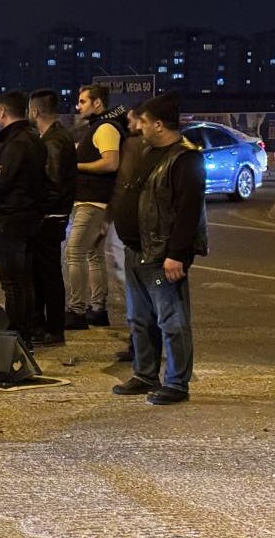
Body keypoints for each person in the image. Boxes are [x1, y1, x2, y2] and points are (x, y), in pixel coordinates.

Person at [110, 93, 206, 405]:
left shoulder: (185, 158)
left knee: (172, 320)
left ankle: (177, 383)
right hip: (136, 250)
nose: (139, 126)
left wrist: (176, 254)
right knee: (139, 319)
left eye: (145, 122)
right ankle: (145, 374)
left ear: (159, 125)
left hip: (162, 255)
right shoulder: (151, 151)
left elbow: (188, 211)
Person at [0, 91, 46, 349]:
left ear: (2, 112)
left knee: (14, 283)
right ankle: (25, 333)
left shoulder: (15, 143)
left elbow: (2, 183)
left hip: (12, 221)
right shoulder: (34, 139)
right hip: (29, 218)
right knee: (24, 281)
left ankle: (17, 337)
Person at [66, 84, 126, 328]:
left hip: (93, 201)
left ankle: (76, 310)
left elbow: (111, 163)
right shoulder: (96, 128)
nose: (78, 106)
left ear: (98, 103)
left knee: (74, 252)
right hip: (94, 200)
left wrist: (76, 166)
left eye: (83, 102)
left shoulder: (105, 128)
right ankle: (98, 309)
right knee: (93, 254)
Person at [27, 90, 76, 346]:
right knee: (45, 271)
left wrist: (41, 209)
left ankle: (52, 328)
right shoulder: (56, 136)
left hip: (50, 216)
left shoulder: (53, 141)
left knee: (47, 272)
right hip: (53, 214)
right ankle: (47, 325)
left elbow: (54, 182)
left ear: (35, 111)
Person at [107, 108, 146, 360]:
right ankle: (141, 341)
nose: (128, 123)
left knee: (133, 284)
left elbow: (125, 186)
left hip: (132, 228)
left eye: (133, 118)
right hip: (137, 227)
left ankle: (141, 343)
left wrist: (112, 215)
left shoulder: (134, 146)